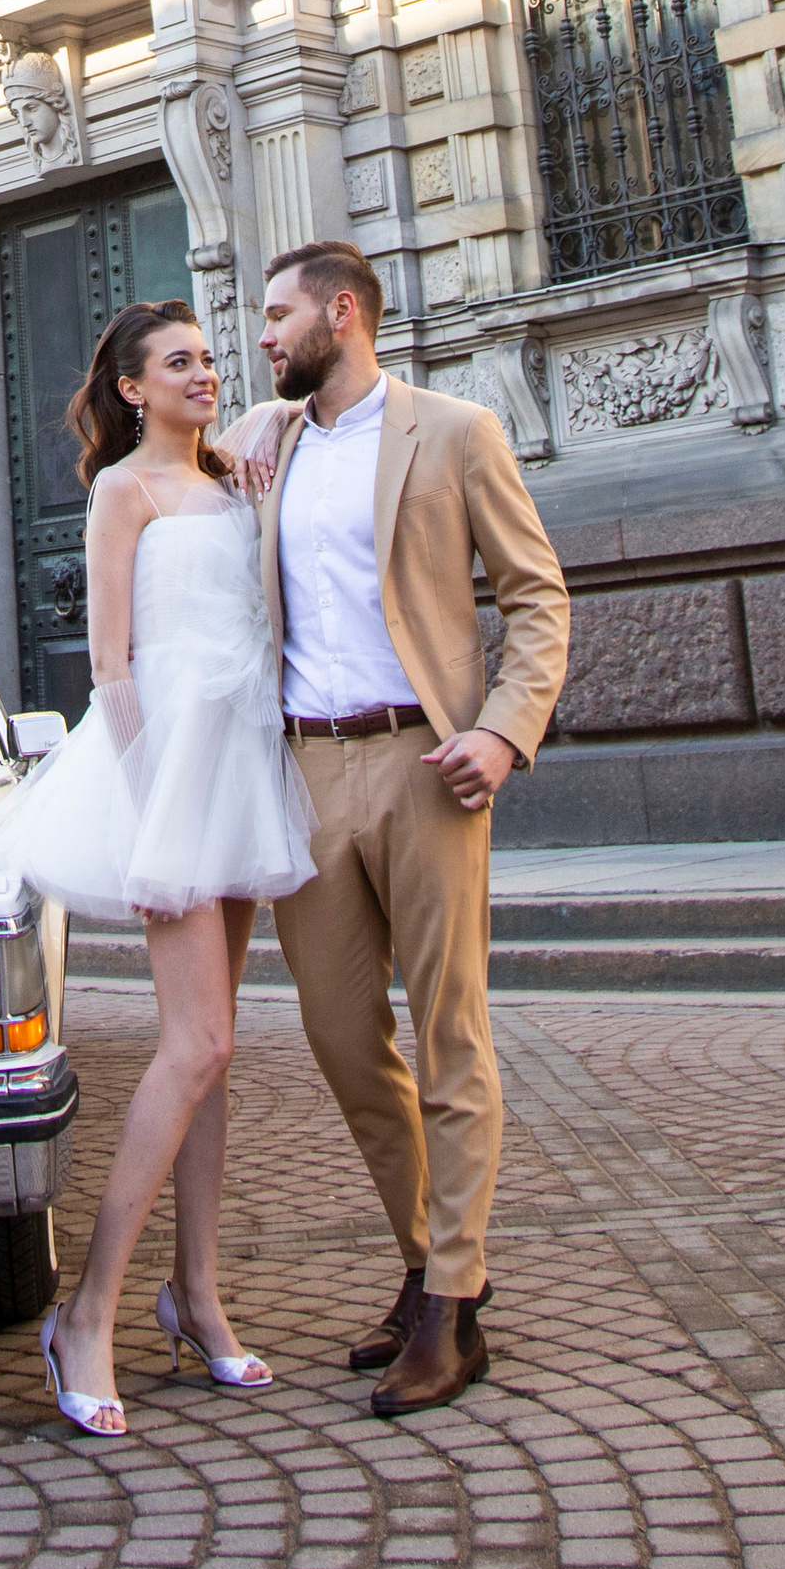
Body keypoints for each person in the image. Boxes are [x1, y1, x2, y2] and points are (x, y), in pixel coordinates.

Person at [233, 244, 569, 1418]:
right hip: (305, 773)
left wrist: (504, 732)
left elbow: (535, 594)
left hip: (427, 765)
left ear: (342, 313)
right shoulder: (262, 446)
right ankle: (425, 1260)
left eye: (277, 316)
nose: (263, 336)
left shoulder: (454, 431)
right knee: (337, 1036)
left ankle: (452, 1306)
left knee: (449, 1034)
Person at [0, 299, 315, 1439]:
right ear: (131, 387)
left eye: (211, 359)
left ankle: (200, 1298)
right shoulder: (121, 491)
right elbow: (111, 665)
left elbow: (300, 404)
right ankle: (88, 1313)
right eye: (179, 363)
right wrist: (145, 805)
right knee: (199, 1043)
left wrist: (267, 417)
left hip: (245, 761)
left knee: (213, 1054)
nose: (203, 375)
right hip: (167, 769)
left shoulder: (238, 476)